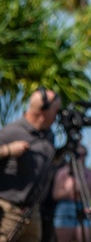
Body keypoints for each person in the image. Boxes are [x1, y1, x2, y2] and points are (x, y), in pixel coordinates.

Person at [0, 89, 61, 242]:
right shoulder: (11, 132)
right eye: (56, 111)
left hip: (34, 213)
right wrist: (8, 150)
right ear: (43, 113)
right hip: (8, 212)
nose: (58, 116)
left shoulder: (49, 135)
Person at [50, 145, 91, 242]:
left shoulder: (90, 173)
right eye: (78, 155)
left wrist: (83, 185)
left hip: (84, 208)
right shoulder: (62, 172)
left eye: (84, 155)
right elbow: (55, 194)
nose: (81, 158)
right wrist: (70, 191)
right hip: (65, 211)